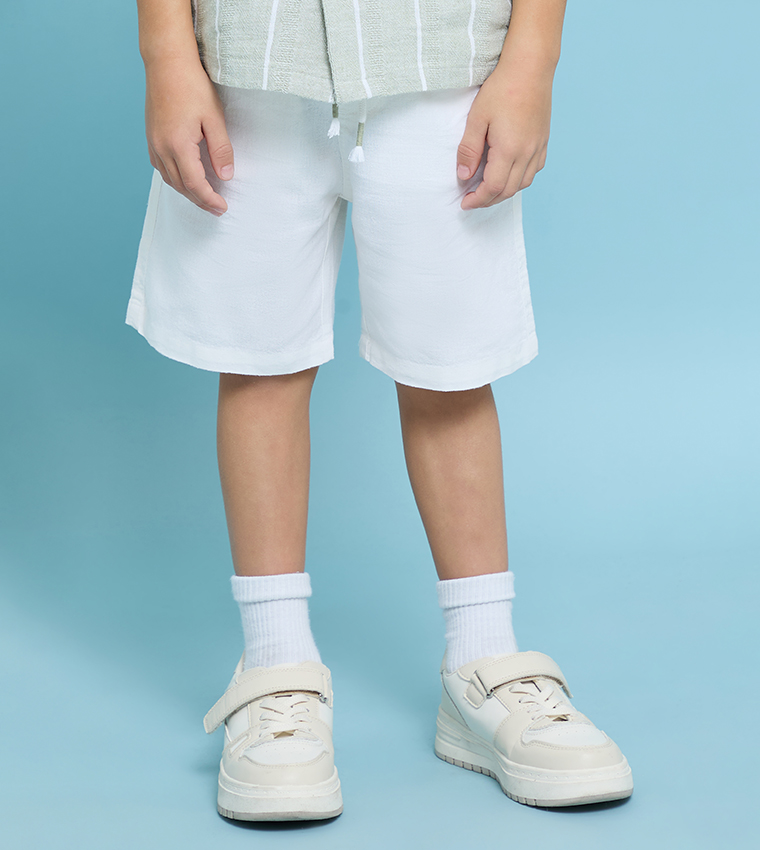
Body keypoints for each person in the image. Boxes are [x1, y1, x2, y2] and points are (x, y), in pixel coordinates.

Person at [128, 0, 633, 822]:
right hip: (247, 61)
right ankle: (275, 667)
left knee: (449, 366)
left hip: (445, 59)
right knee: (261, 361)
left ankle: (484, 659)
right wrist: (166, 54)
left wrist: (532, 62)